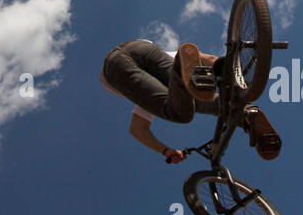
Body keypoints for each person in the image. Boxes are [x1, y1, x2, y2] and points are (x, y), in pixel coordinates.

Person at [100, 39, 281, 163]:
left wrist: (166, 150)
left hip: (115, 69)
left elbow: (138, 129)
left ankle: (245, 115)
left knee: (181, 111)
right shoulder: (155, 86)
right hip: (144, 47)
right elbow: (210, 59)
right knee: (191, 95)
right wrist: (232, 79)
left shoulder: (145, 96)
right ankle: (245, 113)